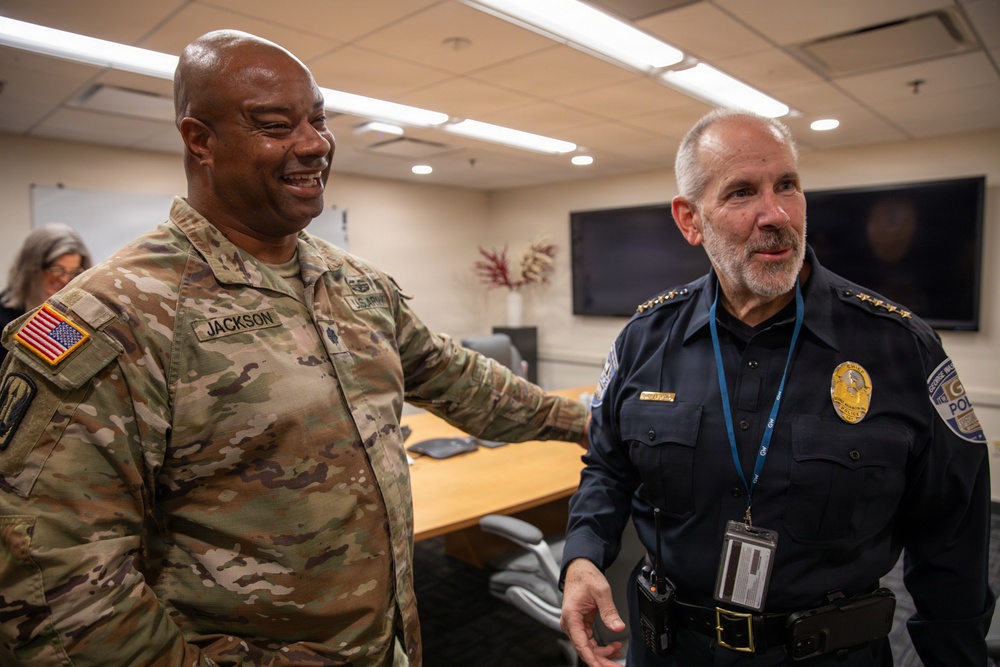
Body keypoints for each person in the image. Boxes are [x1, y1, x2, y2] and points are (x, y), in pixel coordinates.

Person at [0, 30, 588, 666]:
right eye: (275, 125)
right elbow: (48, 574)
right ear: (199, 140)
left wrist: (597, 423)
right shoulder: (119, 313)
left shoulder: (355, 284)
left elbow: (464, 381)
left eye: (318, 120)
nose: (313, 144)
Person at [559, 109, 993, 666]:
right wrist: (583, 555)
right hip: (670, 649)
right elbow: (608, 467)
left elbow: (952, 536)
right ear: (690, 220)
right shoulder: (645, 340)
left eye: (787, 185)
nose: (777, 214)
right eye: (741, 193)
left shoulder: (900, 347)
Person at [0, 222, 92, 364]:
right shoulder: (4, 315)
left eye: (74, 272)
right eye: (57, 269)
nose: (64, 279)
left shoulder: (76, 315)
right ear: (32, 268)